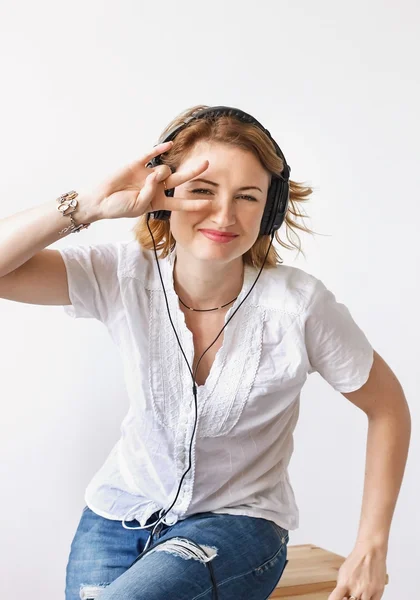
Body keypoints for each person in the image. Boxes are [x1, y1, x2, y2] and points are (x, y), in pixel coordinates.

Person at [0, 105, 408, 600]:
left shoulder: (299, 306)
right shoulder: (119, 275)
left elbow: (387, 408)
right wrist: (89, 205)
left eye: (247, 197)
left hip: (238, 525)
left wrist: (371, 546)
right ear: (162, 196)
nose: (223, 215)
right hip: (119, 513)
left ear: (270, 210)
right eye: (201, 191)